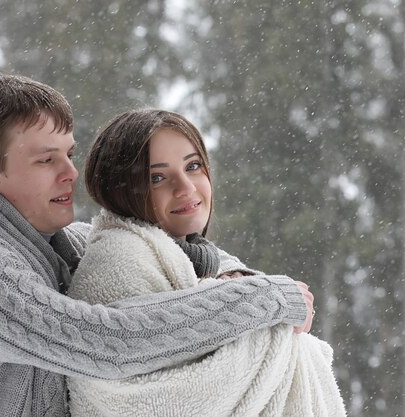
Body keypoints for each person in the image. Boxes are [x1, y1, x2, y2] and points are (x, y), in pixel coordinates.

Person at [0, 74, 315, 417]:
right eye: (45, 160)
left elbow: (172, 245)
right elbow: (108, 344)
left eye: (69, 154)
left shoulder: (68, 242)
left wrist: (230, 272)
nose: (70, 172)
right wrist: (264, 298)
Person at [67, 109, 346, 417]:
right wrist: (267, 321)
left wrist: (233, 294)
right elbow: (146, 401)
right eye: (157, 177)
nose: (185, 187)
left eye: (193, 166)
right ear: (120, 190)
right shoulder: (117, 261)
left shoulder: (200, 259)